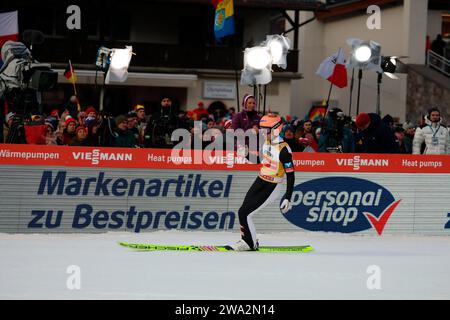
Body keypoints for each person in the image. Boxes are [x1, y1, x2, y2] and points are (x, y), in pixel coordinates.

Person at [232, 114, 295, 251]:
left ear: (276, 129)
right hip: (260, 180)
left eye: (266, 130)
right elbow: (261, 160)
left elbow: (291, 175)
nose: (263, 133)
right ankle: (249, 241)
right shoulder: (267, 142)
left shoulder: (284, 150)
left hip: (272, 185)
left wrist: (288, 197)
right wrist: (246, 154)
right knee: (242, 212)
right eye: (262, 129)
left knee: (245, 213)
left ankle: (249, 243)